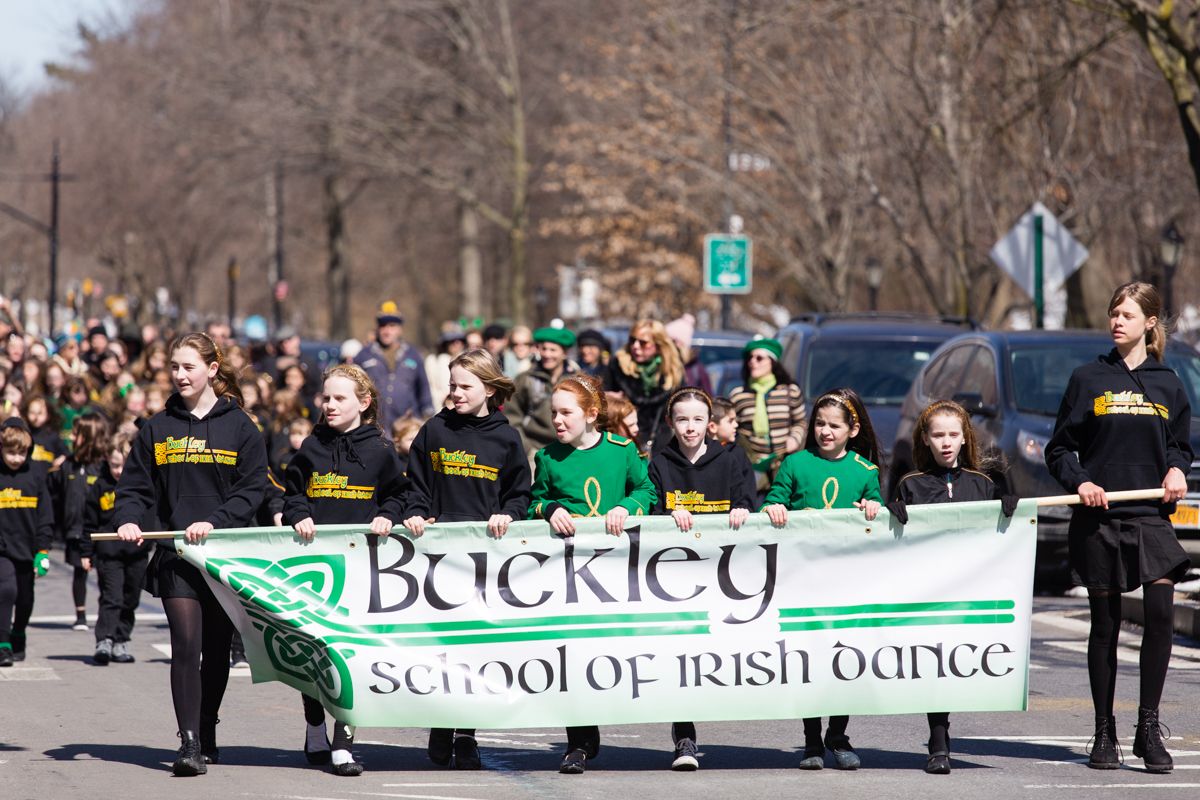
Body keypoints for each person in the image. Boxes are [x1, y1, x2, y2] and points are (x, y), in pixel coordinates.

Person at [1045, 281, 1191, 774]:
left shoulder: (1169, 382)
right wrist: (1081, 481)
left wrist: (1176, 470)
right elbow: (1059, 449)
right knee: (1105, 625)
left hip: (1150, 518)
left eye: (1127, 314)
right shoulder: (1088, 379)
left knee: (1160, 614)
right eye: (1113, 313)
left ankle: (1147, 728)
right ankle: (1103, 730)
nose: (1117, 321)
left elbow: (1179, 447)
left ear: (1149, 323)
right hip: (1100, 518)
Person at [114, 332, 268, 776]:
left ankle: (207, 724)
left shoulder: (240, 426)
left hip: (222, 556)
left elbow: (252, 487)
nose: (180, 375)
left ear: (212, 370)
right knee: (186, 643)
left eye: (188, 367)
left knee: (217, 651)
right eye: (175, 368)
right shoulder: (157, 428)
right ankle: (189, 743)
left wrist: (217, 521)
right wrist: (128, 518)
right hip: (175, 555)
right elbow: (136, 487)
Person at [403, 349, 532, 770]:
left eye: (464, 386)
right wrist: (416, 513)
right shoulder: (434, 430)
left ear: (489, 389)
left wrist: (508, 515)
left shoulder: (506, 437)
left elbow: (519, 494)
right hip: (437, 558)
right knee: (442, 650)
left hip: (486, 560)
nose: (455, 393)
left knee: (475, 651)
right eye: (452, 385)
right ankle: (442, 726)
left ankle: (466, 735)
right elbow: (417, 487)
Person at [528, 374, 657, 774]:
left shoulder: (621, 450)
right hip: (570, 573)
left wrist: (627, 508)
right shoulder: (548, 457)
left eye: (566, 412)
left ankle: (679, 734)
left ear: (591, 413)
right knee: (573, 652)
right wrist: (549, 510)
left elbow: (647, 492)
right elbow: (534, 501)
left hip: (621, 571)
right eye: (554, 413)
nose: (558, 421)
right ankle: (578, 741)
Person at [283, 364, 407, 776]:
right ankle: (314, 726)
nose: (330, 405)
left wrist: (388, 515)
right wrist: (299, 513)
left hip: (361, 567)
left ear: (364, 403)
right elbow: (293, 493)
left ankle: (344, 741)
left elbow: (398, 495)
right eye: (326, 398)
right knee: (313, 653)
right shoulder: (311, 447)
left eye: (340, 398)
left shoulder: (381, 450)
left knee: (349, 657)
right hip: (314, 567)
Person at [886, 400, 1017, 774]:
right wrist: (892, 511)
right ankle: (939, 739)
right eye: (938, 435)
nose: (946, 442)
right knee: (936, 663)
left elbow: (1005, 539)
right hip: (928, 591)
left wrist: (1010, 510)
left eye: (953, 435)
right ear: (925, 439)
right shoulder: (910, 484)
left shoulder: (984, 484)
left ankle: (941, 736)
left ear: (965, 439)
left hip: (972, 589)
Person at [762, 388, 882, 771]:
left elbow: (877, 507)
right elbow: (772, 500)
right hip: (804, 580)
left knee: (845, 659)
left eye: (834, 425)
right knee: (810, 660)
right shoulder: (796, 464)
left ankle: (838, 734)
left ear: (852, 429)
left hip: (848, 582)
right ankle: (812, 739)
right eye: (819, 424)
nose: (825, 432)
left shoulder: (865, 471)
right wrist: (775, 506)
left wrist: (873, 508)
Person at [647, 387, 756, 771]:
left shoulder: (732, 458)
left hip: (726, 576)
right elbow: (650, 511)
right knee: (680, 657)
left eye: (697, 419)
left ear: (710, 423)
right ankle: (685, 738)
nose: (689, 427)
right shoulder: (659, 462)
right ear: (670, 423)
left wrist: (742, 511)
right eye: (681, 419)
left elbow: (748, 502)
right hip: (677, 577)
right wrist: (664, 518)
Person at [82, 432, 151, 665]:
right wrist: (85, 552)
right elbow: (89, 521)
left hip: (136, 554)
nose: (119, 471)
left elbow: (152, 517)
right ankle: (104, 640)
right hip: (108, 554)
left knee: (130, 599)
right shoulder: (100, 487)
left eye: (123, 466)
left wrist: (149, 540)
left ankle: (121, 639)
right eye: (114, 466)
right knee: (111, 597)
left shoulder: (143, 488)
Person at [0, 418, 53, 667]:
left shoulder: (35, 475)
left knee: (25, 599)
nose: (15, 458)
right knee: (6, 590)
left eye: (21, 453)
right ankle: (3, 643)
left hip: (27, 547)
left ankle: (18, 633)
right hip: (2, 549)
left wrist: (42, 550)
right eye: (10, 452)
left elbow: (45, 516)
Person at [50, 413, 110, 632]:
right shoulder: (69, 464)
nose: (72, 438)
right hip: (75, 529)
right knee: (78, 571)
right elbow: (51, 489)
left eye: (76, 434)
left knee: (105, 573)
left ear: (89, 436)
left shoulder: (103, 466)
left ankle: (107, 610)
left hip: (100, 529)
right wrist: (53, 470)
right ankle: (81, 615)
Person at [728, 339, 806, 496]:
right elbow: (733, 429)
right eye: (750, 358)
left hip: (784, 464)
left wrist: (795, 439)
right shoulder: (738, 395)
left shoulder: (790, 391)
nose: (752, 362)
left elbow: (801, 422)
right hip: (752, 469)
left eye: (759, 358)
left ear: (773, 362)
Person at [603, 319, 684, 455]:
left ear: (658, 345)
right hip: (622, 436)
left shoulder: (672, 370)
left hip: (661, 439)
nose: (635, 346)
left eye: (643, 343)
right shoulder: (617, 365)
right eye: (632, 340)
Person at [354, 302, 434, 429]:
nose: (387, 331)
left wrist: (428, 413)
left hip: (407, 425)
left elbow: (423, 387)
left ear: (399, 329)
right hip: (374, 424)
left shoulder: (413, 354)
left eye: (392, 326)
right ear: (378, 329)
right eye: (383, 326)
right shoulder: (364, 355)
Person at [506, 327, 579, 461]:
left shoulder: (577, 380)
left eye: (553, 350)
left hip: (570, 452)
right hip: (535, 451)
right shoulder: (525, 378)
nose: (547, 354)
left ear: (564, 353)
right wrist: (527, 448)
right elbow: (511, 416)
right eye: (543, 349)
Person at [665, 314, 713, 396]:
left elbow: (708, 399)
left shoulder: (696, 369)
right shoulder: (663, 365)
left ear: (679, 344)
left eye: (671, 342)